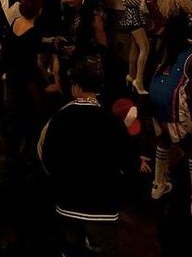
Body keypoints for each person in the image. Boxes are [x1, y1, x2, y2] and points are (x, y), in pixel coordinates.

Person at [39, 60, 131, 257]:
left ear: (76, 87)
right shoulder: (112, 121)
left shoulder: (60, 117)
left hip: (67, 204)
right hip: (103, 209)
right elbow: (127, 161)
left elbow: (45, 155)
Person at [149, 17, 192, 215]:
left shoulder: (167, 47)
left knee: (163, 139)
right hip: (174, 102)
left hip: (155, 94)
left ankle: (158, 185)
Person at [3, 0, 47, 135]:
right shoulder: (34, 32)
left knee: (17, 108)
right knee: (36, 110)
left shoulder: (16, 21)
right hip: (28, 77)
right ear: (38, 10)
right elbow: (39, 61)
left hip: (12, 73)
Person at [120, 0, 151, 95]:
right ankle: (139, 80)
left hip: (135, 17)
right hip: (133, 18)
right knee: (145, 47)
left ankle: (131, 75)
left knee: (135, 47)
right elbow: (125, 0)